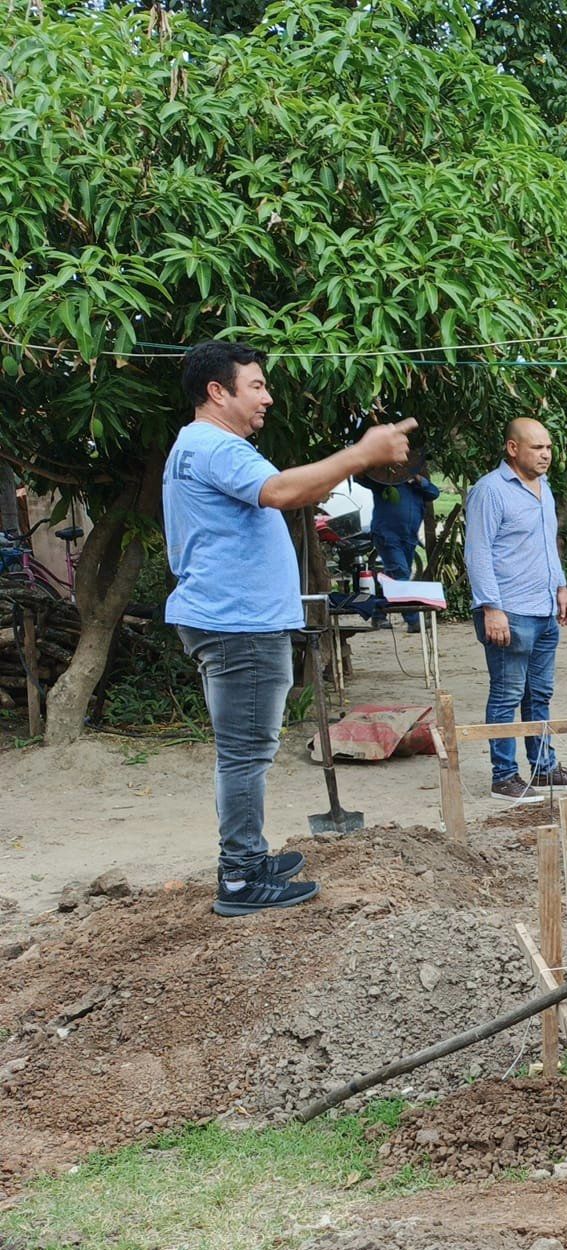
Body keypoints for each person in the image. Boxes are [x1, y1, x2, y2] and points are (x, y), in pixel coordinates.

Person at [164, 340, 416, 916]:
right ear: (216, 392)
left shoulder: (204, 447)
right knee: (245, 753)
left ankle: (248, 857)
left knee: (246, 750)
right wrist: (360, 453)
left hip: (233, 620)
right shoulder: (214, 443)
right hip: (237, 625)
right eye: (255, 386)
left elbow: (292, 491)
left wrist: (352, 460)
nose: (267, 398)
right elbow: (282, 492)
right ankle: (240, 878)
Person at [464, 418, 567, 804]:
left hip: (543, 610)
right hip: (509, 612)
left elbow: (547, 545)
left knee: (540, 694)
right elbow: (478, 553)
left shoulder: (544, 490)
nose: (546, 454)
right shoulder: (490, 491)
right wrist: (491, 608)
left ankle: (544, 769)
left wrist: (561, 588)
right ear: (512, 448)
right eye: (537, 447)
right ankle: (503, 777)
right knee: (506, 694)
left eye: (549, 447)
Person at [368, 465, 441, 631]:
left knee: (396, 578)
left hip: (408, 538)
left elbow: (434, 493)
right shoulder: (385, 482)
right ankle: (413, 619)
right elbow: (365, 479)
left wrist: (417, 479)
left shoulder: (417, 485)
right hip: (387, 535)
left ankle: (378, 611)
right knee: (401, 575)